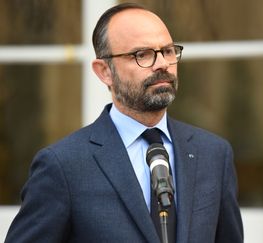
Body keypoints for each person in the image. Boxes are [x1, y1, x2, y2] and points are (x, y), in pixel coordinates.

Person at [5, 3, 243, 243]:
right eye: (142, 54)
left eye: (168, 51)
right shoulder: (63, 166)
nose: (162, 64)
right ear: (104, 71)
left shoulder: (213, 154)